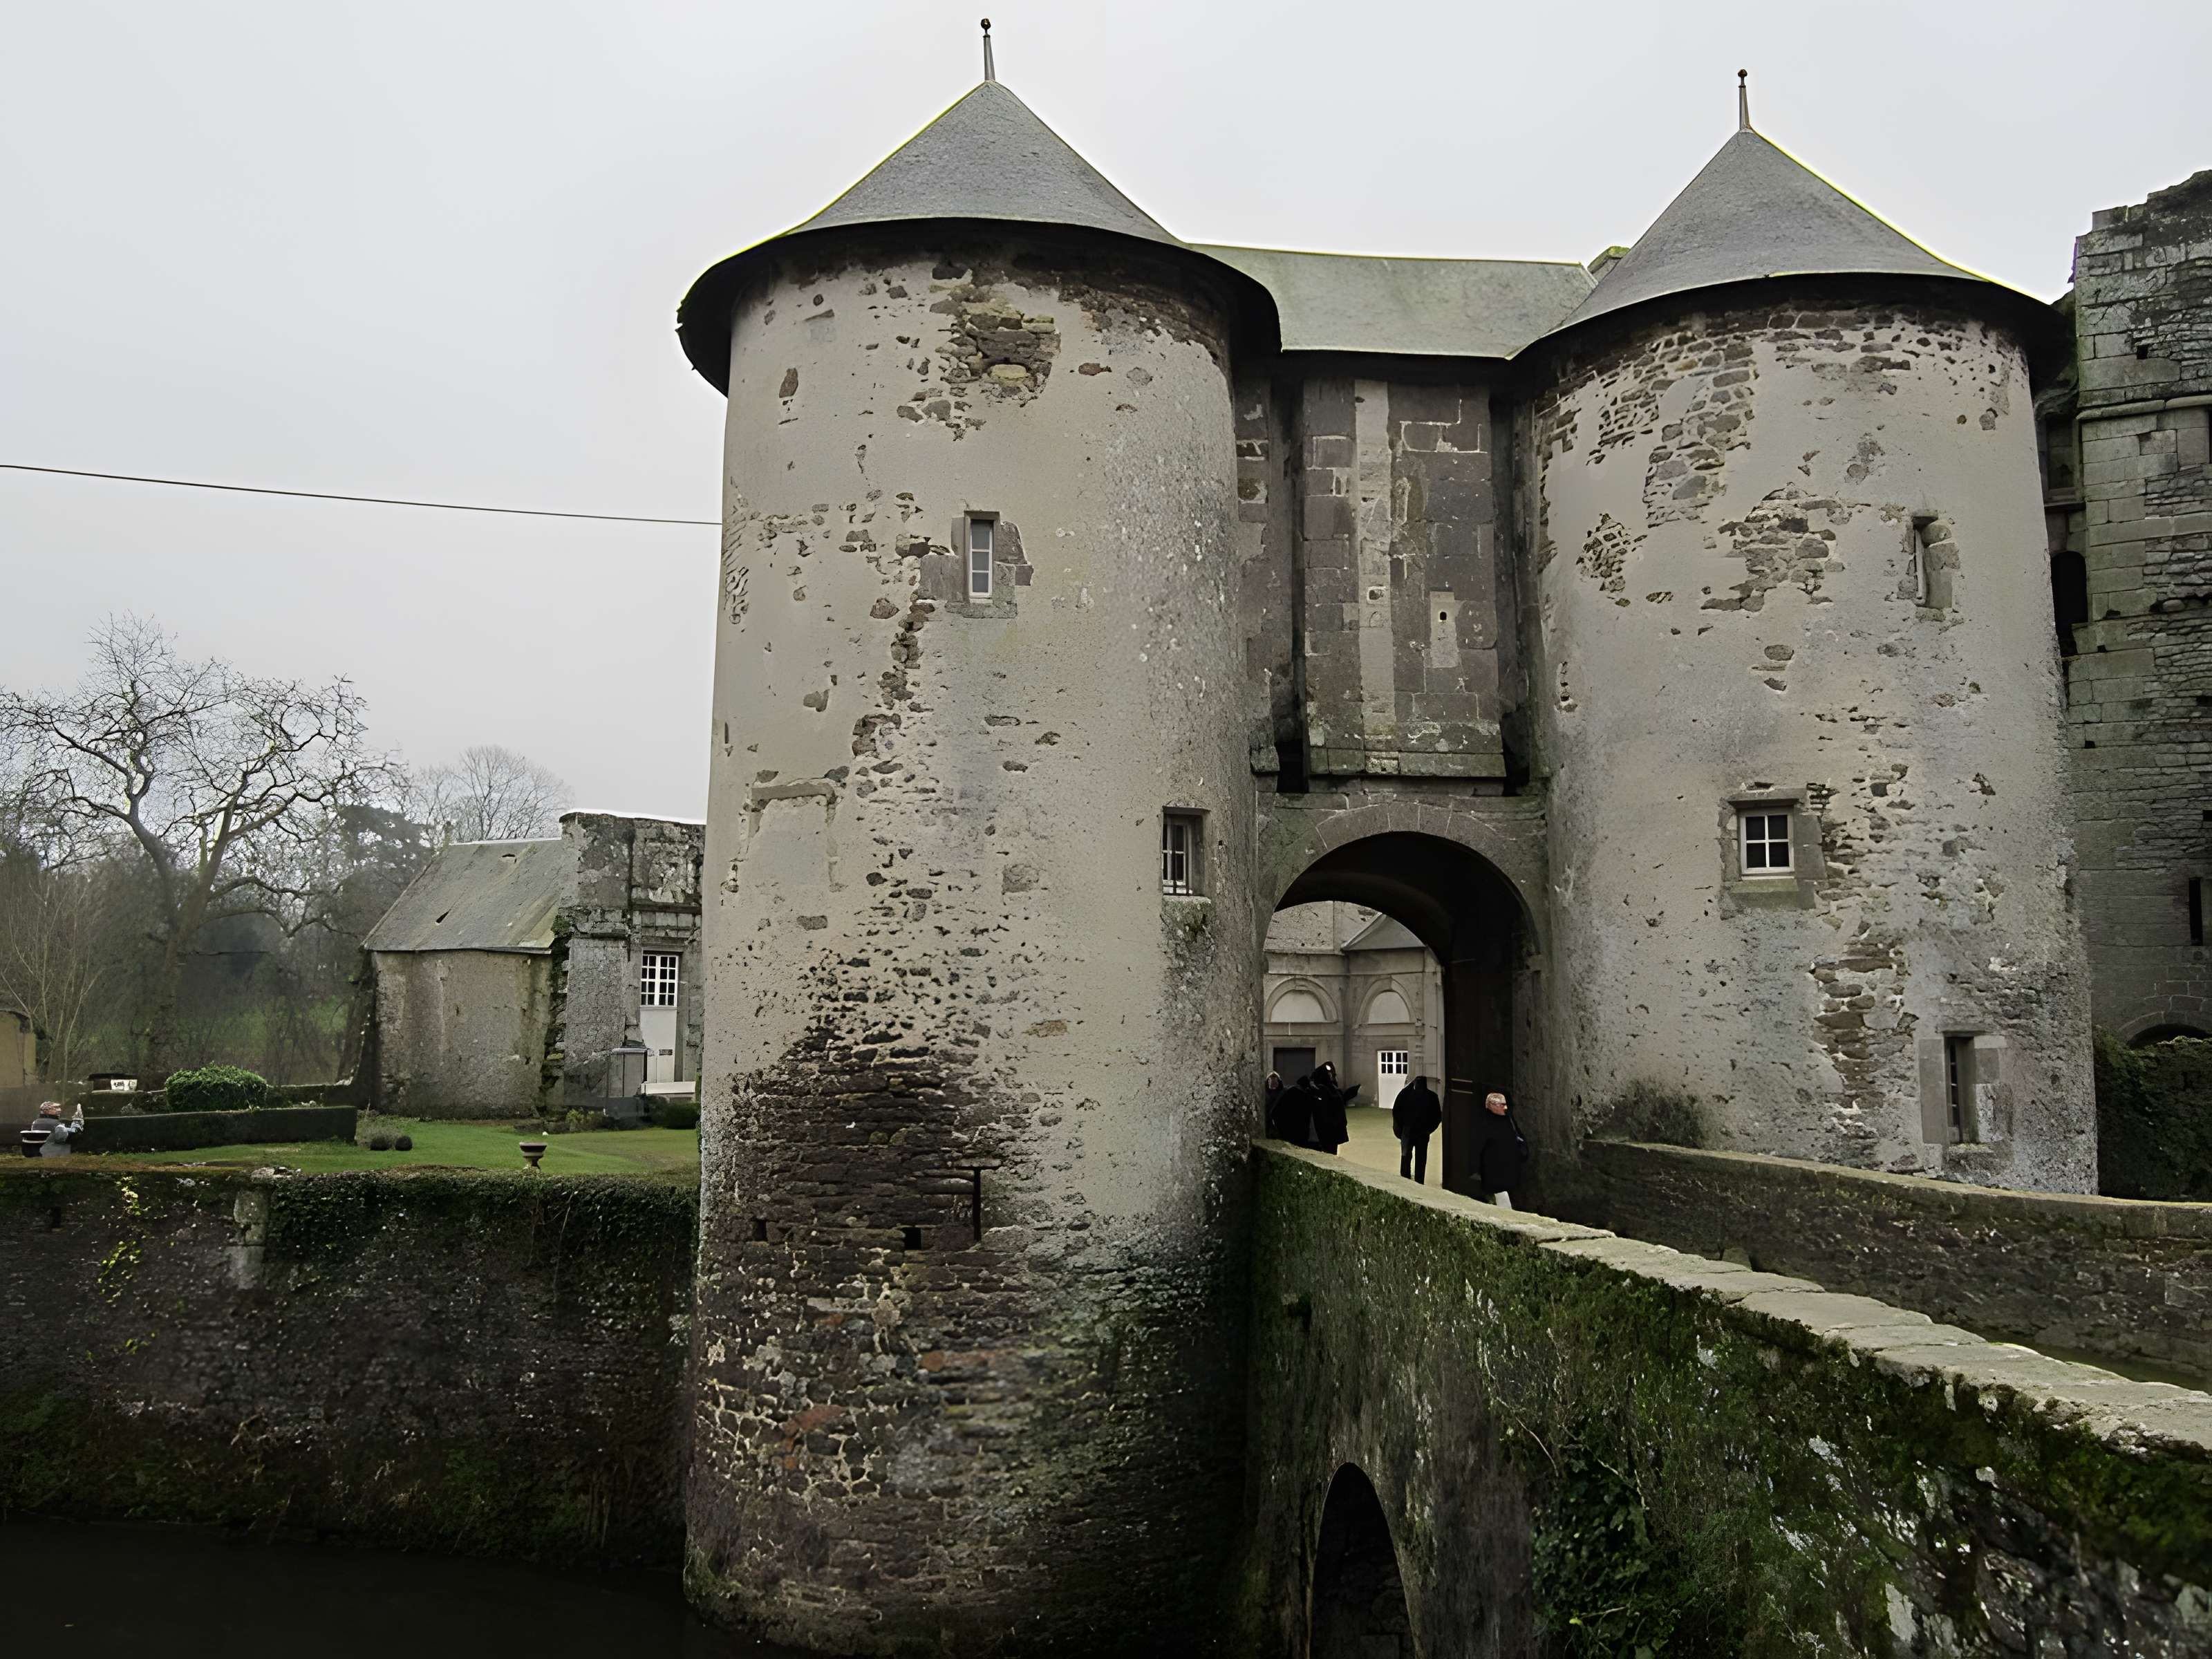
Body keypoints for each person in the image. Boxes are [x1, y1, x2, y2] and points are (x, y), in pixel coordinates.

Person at [1472, 1089, 1528, 1207]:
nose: (1505, 1108)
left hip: (1509, 1169)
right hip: (1494, 1171)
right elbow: (1478, 1146)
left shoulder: (1508, 1119)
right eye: (1502, 1105)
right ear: (1492, 1106)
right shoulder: (1485, 1121)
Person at [1391, 1074, 1443, 1185]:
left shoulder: (1405, 1095)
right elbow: (1437, 1117)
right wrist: (1429, 1130)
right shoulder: (1432, 1097)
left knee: (1406, 1156)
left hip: (1408, 1131)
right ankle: (1419, 1182)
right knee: (1421, 1160)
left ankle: (1405, 1180)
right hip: (1422, 1132)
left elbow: (1396, 1112)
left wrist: (1400, 1130)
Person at [1308, 1062, 1351, 1156]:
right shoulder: (1320, 1090)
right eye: (1328, 1074)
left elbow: (1338, 1106)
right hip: (1323, 1133)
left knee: (1330, 1155)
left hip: (1331, 1132)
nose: (1331, 1075)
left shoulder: (1333, 1089)